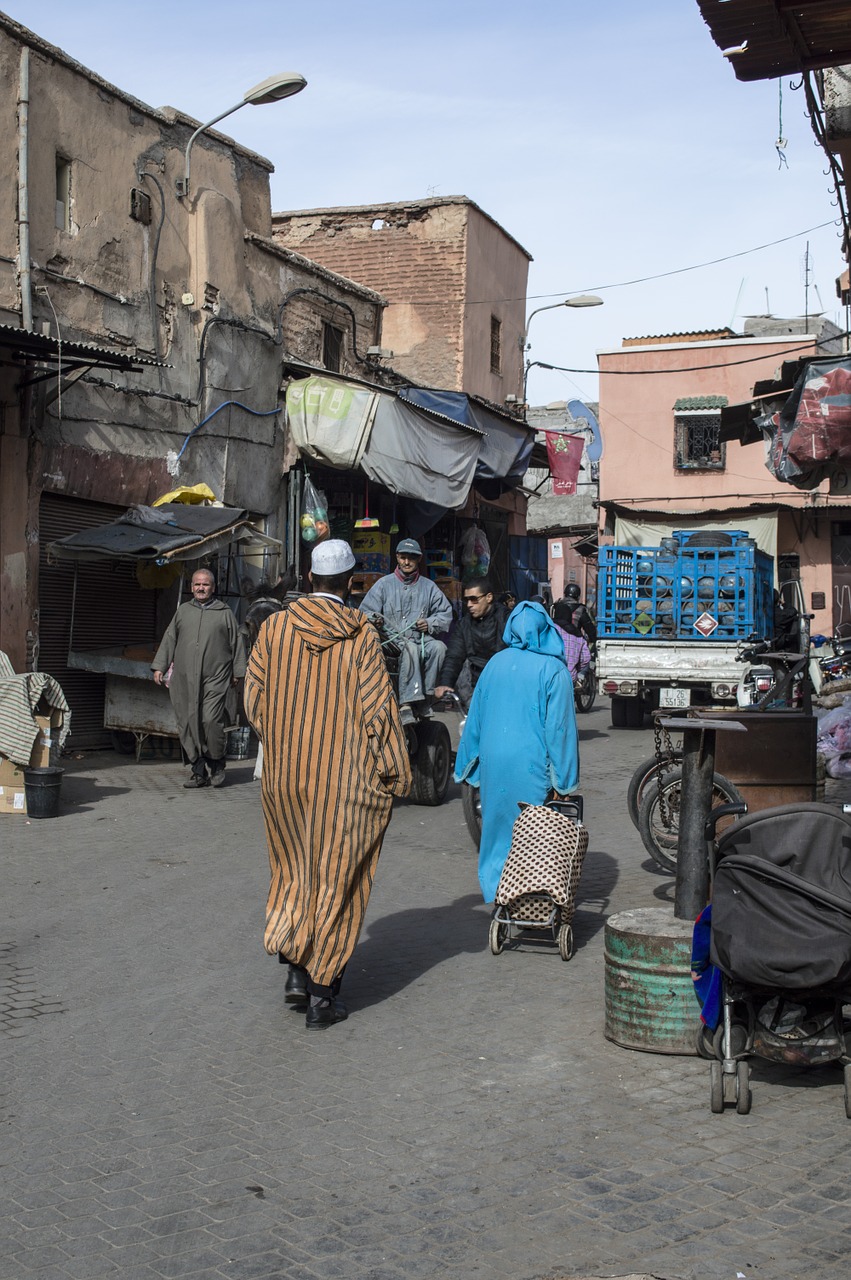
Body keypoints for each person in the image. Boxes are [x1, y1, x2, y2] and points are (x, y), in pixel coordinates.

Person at [244, 539, 411, 1029]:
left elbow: (253, 699)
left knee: (295, 867)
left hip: (286, 779)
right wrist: (395, 772)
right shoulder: (360, 635)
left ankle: (296, 967)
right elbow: (378, 711)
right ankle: (321, 996)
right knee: (340, 877)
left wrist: (282, 740)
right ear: (350, 581)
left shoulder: (274, 628)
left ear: (311, 579)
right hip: (346, 781)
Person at [454, 600, 580, 903]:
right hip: (532, 766)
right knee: (533, 834)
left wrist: (467, 765)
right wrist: (564, 783)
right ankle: (531, 898)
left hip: (494, 764)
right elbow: (560, 733)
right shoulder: (554, 671)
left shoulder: (494, 664)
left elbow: (476, 720)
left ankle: (499, 893)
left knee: (498, 834)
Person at [152, 567, 246, 789]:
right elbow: (169, 639)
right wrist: (159, 666)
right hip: (185, 679)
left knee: (211, 720)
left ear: (213, 587)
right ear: (191, 587)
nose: (201, 588)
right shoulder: (183, 611)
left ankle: (217, 764)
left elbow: (237, 644)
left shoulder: (225, 613)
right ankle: (198, 770)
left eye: (205, 584)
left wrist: (238, 672)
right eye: (197, 584)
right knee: (186, 722)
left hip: (215, 678)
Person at [359, 538, 452, 725]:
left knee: (440, 647)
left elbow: (446, 614)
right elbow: (364, 612)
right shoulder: (384, 584)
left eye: (411, 558)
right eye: (403, 557)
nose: (407, 562)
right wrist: (374, 619)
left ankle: (426, 698)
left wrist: (430, 623)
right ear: (397, 558)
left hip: (421, 639)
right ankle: (406, 703)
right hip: (393, 641)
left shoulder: (429, 587)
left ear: (418, 560)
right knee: (410, 648)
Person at [433, 576, 509, 707]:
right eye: (466, 600)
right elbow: (454, 656)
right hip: (476, 685)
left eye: (474, 599)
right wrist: (446, 683)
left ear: (489, 597)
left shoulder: (507, 619)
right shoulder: (464, 624)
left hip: (505, 683)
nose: (469, 605)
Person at [552, 598, 593, 683]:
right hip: (570, 677)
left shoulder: (549, 630)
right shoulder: (578, 637)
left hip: (550, 676)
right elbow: (586, 658)